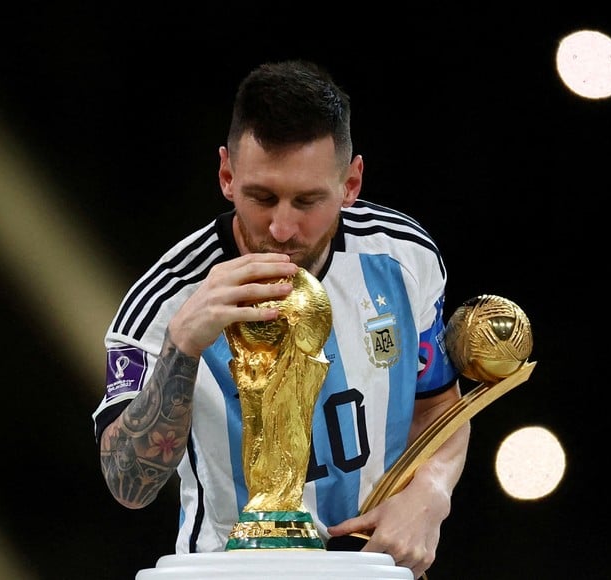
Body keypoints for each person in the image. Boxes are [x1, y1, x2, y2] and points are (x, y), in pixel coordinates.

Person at [92, 59, 471, 579]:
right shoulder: (162, 303)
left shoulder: (404, 259)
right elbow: (127, 483)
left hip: (370, 571)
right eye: (261, 197)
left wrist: (432, 489)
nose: (283, 227)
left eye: (308, 200)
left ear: (351, 182)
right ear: (227, 176)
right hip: (228, 572)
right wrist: (181, 345)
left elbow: (438, 407)